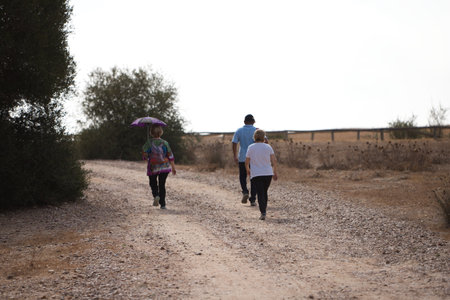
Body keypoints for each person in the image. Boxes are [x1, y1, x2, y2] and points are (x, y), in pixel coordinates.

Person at [245, 129, 278, 220]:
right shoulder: (268, 147)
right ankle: (264, 209)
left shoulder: (251, 147)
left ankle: (263, 212)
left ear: (254, 137)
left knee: (260, 193)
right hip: (268, 173)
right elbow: (274, 160)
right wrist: (275, 172)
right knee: (264, 191)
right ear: (264, 137)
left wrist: (248, 170)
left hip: (256, 174)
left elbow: (247, 161)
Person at [143, 125, 176, 209]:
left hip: (153, 167)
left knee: (153, 183)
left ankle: (156, 195)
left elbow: (145, 155)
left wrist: (147, 157)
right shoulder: (165, 143)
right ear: (161, 132)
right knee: (162, 185)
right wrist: (173, 167)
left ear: (151, 133)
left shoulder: (149, 143)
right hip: (165, 167)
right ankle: (163, 204)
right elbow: (170, 155)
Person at [232, 114, 258, 206]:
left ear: (244, 122)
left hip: (242, 157)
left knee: (242, 176)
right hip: (254, 158)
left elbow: (234, 142)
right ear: (253, 121)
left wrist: (235, 155)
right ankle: (253, 199)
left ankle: (245, 191)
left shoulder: (239, 131)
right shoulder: (256, 131)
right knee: (253, 178)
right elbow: (265, 141)